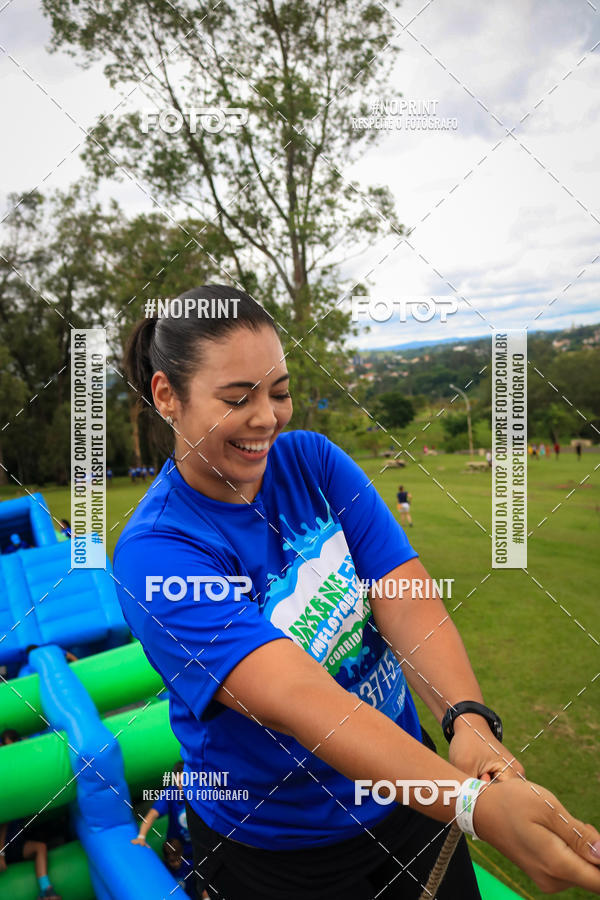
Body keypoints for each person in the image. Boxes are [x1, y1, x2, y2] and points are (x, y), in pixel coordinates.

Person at [113, 286, 600, 900]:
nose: (267, 417)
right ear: (166, 396)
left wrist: (467, 720)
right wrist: (471, 805)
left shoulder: (312, 461)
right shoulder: (157, 551)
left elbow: (404, 598)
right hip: (278, 853)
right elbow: (296, 696)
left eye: (279, 391)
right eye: (238, 398)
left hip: (407, 803)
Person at [0, 730, 62, 900]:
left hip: (14, 843)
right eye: (5, 749)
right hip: (4, 845)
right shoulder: (6, 777)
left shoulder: (20, 772)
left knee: (40, 847)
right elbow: (4, 819)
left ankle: (46, 890)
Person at [132, 761, 201, 898]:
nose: (182, 786)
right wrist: (141, 837)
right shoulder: (170, 793)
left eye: (185, 782)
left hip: (197, 853)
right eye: (178, 782)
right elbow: (152, 814)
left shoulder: (199, 793)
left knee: (199, 886)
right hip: (176, 852)